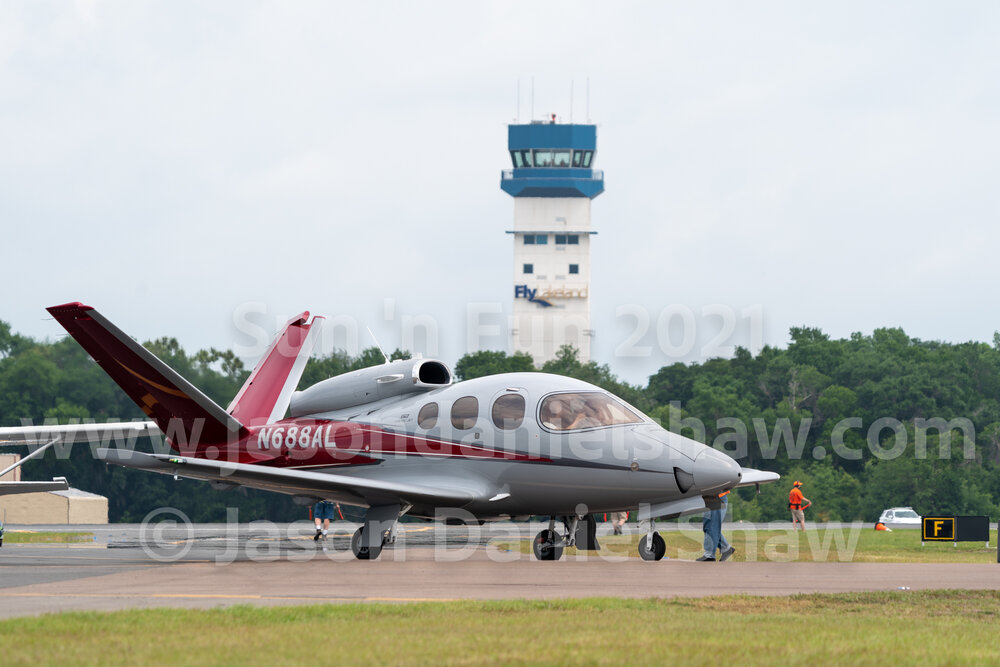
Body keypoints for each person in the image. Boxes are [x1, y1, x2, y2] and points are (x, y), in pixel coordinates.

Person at [696, 491, 735, 561]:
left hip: (715, 498)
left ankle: (709, 555)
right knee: (711, 527)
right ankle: (725, 548)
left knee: (711, 527)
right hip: (712, 498)